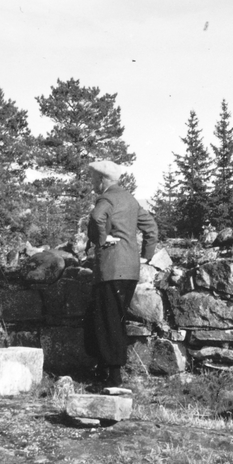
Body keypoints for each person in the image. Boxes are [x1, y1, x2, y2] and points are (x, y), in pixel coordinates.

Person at [83, 159, 158, 388]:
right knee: (108, 317)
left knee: (108, 321)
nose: (92, 183)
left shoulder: (106, 198)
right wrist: (146, 255)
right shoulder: (130, 199)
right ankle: (103, 371)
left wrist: (103, 239)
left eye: (94, 179)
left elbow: (97, 218)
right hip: (131, 271)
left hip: (110, 269)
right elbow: (151, 228)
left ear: (103, 179)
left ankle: (114, 378)